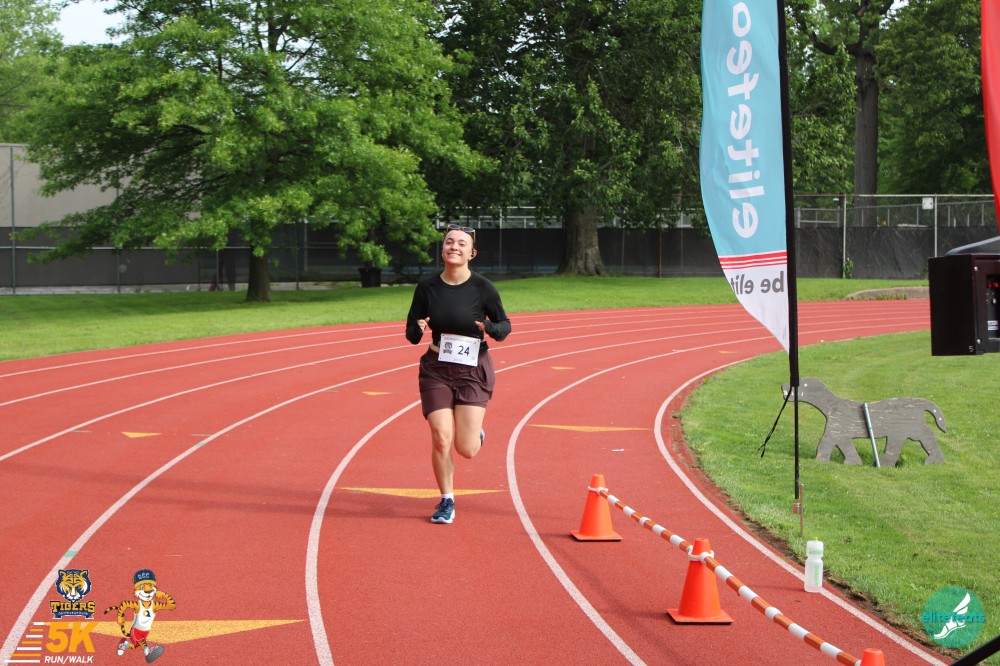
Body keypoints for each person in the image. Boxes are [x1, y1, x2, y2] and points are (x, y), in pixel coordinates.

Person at [405, 224, 511, 524]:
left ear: (471, 253)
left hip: (472, 370)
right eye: (449, 242)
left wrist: (489, 327)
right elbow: (411, 333)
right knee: (441, 437)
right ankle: (447, 500)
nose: (454, 246)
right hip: (436, 369)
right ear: (442, 250)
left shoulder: (482, 288)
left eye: (461, 243)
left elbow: (504, 326)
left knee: (466, 449)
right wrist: (418, 328)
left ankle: (475, 434)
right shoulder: (427, 288)